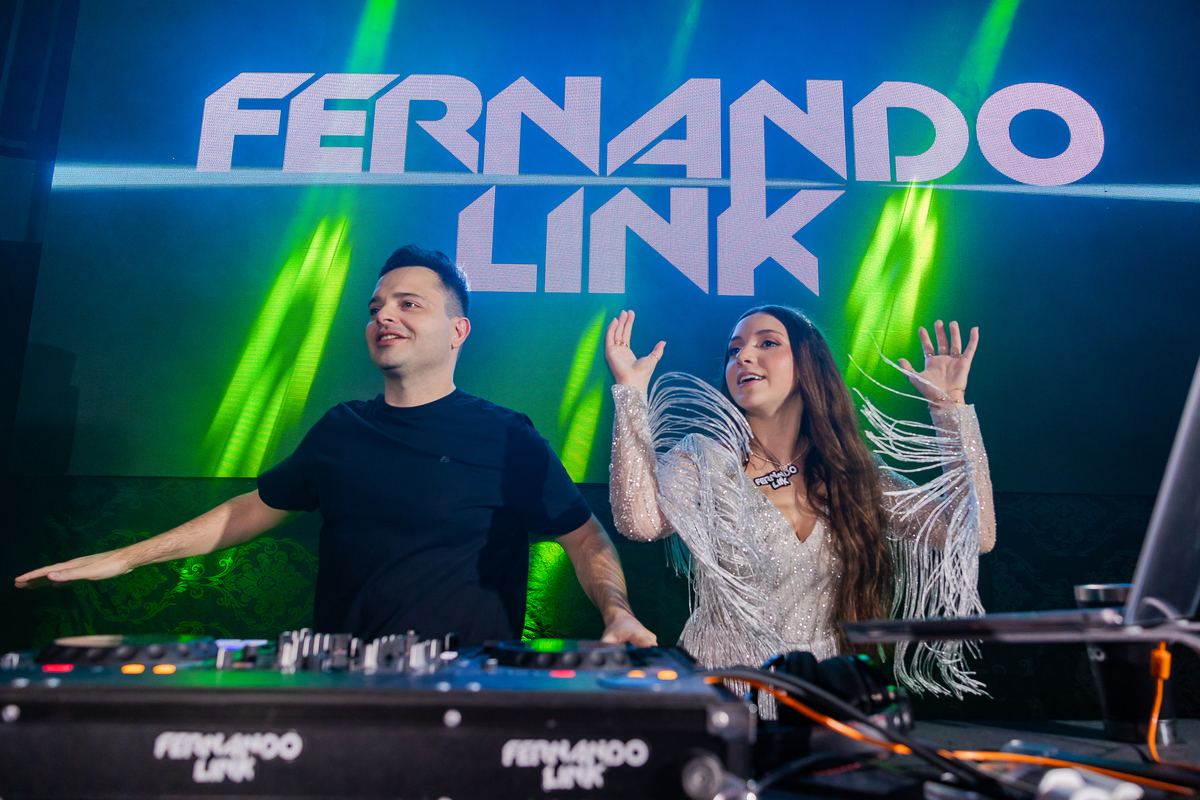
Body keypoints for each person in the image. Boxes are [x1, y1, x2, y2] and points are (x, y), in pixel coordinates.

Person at [15, 246, 656, 649]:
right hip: (342, 687)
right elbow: (250, 509)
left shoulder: (506, 435)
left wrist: (618, 613)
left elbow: (585, 537)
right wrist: (127, 558)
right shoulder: (342, 429)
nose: (384, 315)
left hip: (469, 692)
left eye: (408, 304)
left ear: (458, 330)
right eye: (376, 306)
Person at [603, 306, 994, 697]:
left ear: (808, 364)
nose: (743, 356)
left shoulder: (853, 472)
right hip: (724, 687)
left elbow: (975, 534)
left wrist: (949, 407)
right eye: (734, 350)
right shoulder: (703, 459)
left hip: (822, 689)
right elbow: (639, 522)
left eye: (767, 343)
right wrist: (630, 393)